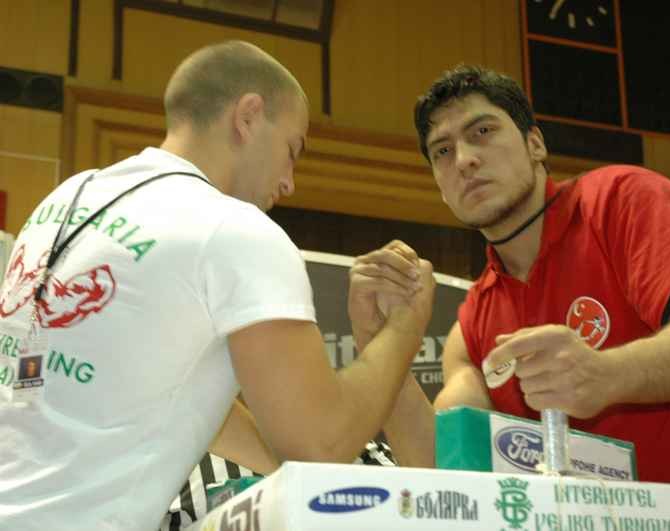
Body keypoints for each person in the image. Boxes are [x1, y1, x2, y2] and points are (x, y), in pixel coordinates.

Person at [0, 40, 435, 530]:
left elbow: (165, 395)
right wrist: (405, 326)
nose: (289, 182)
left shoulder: (67, 198)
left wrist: (288, 475)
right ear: (248, 116)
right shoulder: (235, 230)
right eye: (292, 151)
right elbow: (322, 443)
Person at [373, 65, 670, 484]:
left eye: (482, 131)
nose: (464, 160)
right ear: (440, 188)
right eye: (442, 151)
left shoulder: (623, 199)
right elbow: (446, 467)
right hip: (615, 515)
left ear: (535, 144)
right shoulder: (473, 326)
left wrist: (605, 374)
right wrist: (380, 338)